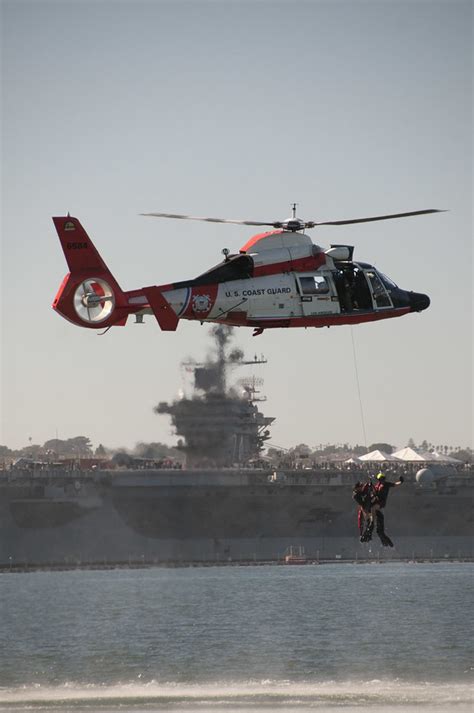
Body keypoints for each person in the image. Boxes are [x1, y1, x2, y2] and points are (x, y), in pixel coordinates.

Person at [370, 471, 404, 547]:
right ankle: (372, 519)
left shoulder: (386, 484)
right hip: (376, 500)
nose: (382, 480)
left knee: (373, 508)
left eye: (383, 479)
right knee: (371, 507)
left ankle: (372, 521)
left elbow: (395, 484)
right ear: (379, 480)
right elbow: (374, 492)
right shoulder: (377, 485)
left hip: (381, 502)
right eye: (381, 479)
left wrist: (401, 482)